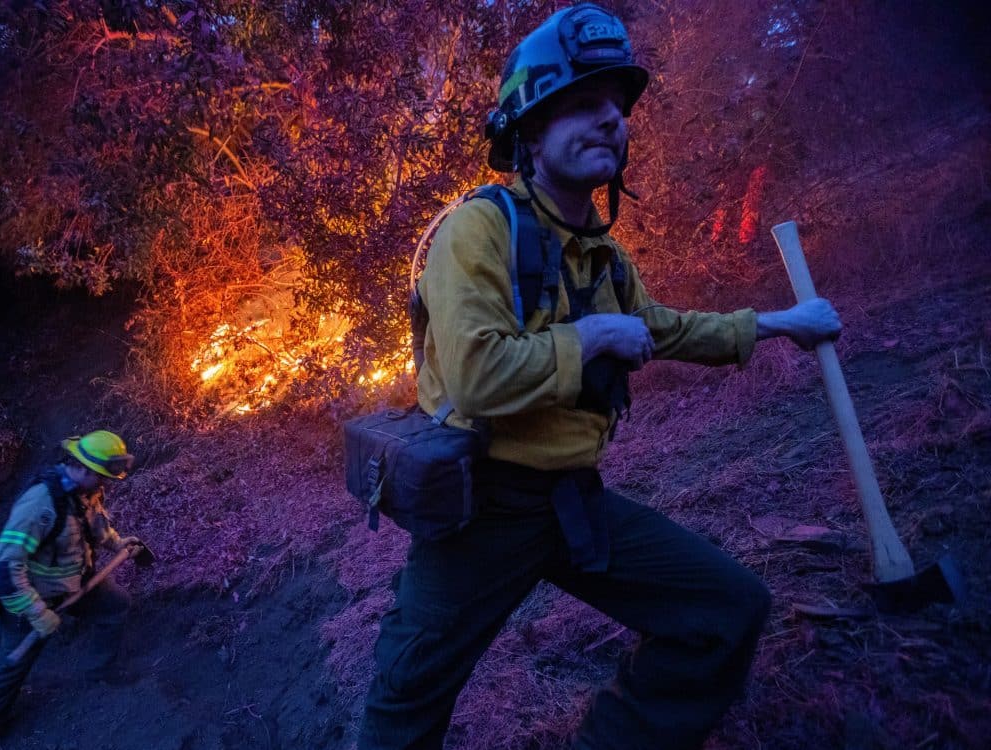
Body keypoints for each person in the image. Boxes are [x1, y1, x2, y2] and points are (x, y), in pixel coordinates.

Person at [359, 4, 842, 749]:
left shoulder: (604, 257)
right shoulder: (476, 231)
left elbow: (670, 329)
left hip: (572, 501)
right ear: (530, 129)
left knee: (726, 611)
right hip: (481, 512)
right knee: (401, 703)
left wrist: (783, 324)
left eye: (617, 109)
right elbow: (478, 378)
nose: (610, 121)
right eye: (582, 105)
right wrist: (588, 336)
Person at [0, 430, 141, 750]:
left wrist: (116, 543)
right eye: (102, 476)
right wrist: (36, 612)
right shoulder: (39, 505)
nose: (107, 484)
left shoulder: (87, 490)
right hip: (30, 597)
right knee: (12, 665)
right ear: (84, 469)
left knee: (115, 605)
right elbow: (5, 569)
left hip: (73, 583)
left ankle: (99, 671)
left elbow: (95, 523)